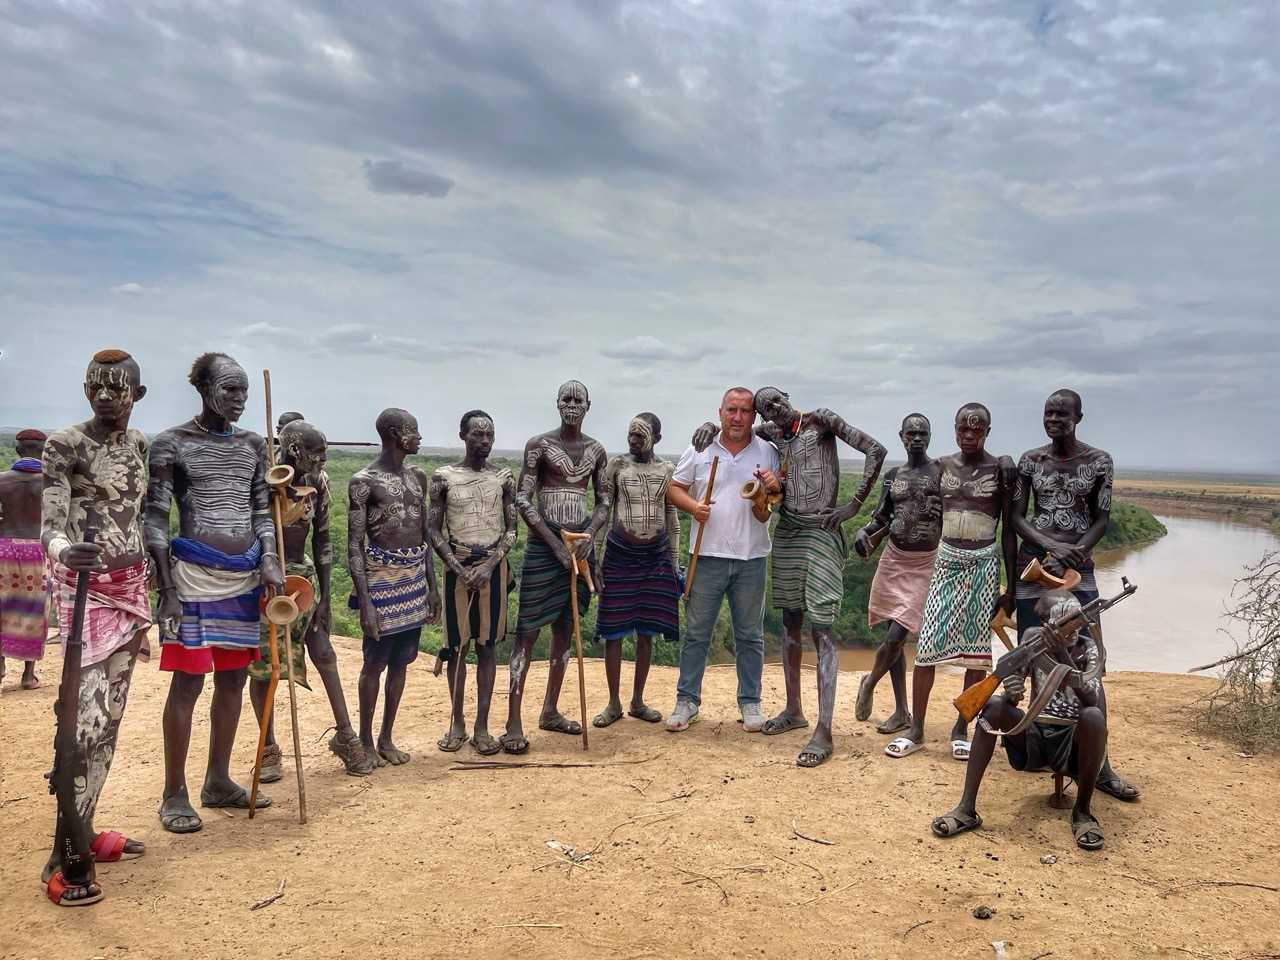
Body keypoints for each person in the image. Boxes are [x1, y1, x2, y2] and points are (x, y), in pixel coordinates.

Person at [147, 352, 284, 833]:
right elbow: (155, 518)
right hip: (191, 578)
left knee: (233, 681)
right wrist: (166, 588)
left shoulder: (253, 445)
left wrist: (269, 559)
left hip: (244, 579)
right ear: (203, 390)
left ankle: (218, 781)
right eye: (230, 389)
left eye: (244, 390)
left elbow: (262, 511)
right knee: (187, 683)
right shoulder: (172, 444)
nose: (239, 398)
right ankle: (174, 793)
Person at [40, 350, 152, 900]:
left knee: (109, 721)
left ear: (137, 393)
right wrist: (65, 551)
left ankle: (84, 829)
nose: (105, 396)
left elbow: (139, 515)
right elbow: (50, 525)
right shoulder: (65, 444)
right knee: (79, 725)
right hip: (84, 593)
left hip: (130, 589)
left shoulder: (140, 446)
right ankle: (61, 854)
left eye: (116, 387)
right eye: (96, 386)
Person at [1013, 388, 1139, 802]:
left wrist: (1076, 551)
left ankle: (1101, 765)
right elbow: (1016, 517)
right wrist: (1050, 547)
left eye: (1062, 414)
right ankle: (1038, 747)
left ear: (1078, 418)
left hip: (1077, 573)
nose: (1053, 419)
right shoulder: (1030, 461)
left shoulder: (1099, 461)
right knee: (1034, 655)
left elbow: (1102, 519)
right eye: (1048, 413)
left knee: (1090, 663)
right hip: (1034, 569)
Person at [930, 590, 1109, 851]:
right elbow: (1012, 695)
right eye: (1064, 620)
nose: (1073, 626)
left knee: (1093, 717)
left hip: (1074, 746)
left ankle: (1082, 812)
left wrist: (1062, 653)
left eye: (1076, 619)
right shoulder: (1032, 639)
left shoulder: (1089, 647)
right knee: (994, 706)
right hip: (1035, 736)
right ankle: (966, 808)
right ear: (1046, 624)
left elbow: (1091, 700)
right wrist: (1011, 691)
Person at [886, 403, 1016, 761]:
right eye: (963, 428)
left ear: (987, 431)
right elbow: (908, 487)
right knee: (927, 644)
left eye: (977, 429)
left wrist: (1011, 588)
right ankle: (916, 729)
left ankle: (961, 728)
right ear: (955, 429)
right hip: (945, 562)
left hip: (984, 563)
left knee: (977, 654)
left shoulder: (1001, 470)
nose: (969, 435)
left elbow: (1009, 531)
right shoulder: (942, 466)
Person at [248, 419, 375, 779]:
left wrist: (325, 597)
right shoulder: (262, 480)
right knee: (266, 665)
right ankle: (268, 748)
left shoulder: (318, 482)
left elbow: (322, 539)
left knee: (323, 652)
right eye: (317, 453)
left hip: (303, 577)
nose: (322, 459)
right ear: (294, 451)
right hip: (266, 579)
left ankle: (346, 736)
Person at [666, 387, 781, 734]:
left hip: (751, 557)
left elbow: (768, 508)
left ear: (754, 416)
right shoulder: (700, 449)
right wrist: (693, 507)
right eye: (732, 410)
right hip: (706, 555)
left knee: (750, 636)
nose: (737, 417)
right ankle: (687, 701)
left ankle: (750, 702)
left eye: (745, 411)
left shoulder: (768, 452)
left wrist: (768, 491)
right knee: (697, 634)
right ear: (720, 413)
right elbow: (674, 488)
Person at [504, 380, 610, 753]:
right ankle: (513, 722)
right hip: (544, 545)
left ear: (588, 406)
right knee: (527, 631)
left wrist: (589, 537)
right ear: (557, 403)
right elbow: (522, 498)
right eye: (566, 399)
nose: (572, 405)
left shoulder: (596, 451)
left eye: (578, 400)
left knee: (566, 627)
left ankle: (550, 710)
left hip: (578, 545)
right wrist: (554, 545)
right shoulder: (539, 446)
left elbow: (604, 501)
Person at [348, 408, 441, 766]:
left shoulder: (418, 477)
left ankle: (386, 737)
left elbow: (424, 535)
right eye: (412, 430)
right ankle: (365, 741)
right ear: (392, 434)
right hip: (380, 581)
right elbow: (354, 544)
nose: (419, 436)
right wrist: (366, 602)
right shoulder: (363, 482)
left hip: (413, 580)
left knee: (402, 661)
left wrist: (432, 587)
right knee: (375, 662)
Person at [427, 410, 518, 756]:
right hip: (457, 567)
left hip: (492, 567)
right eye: (477, 434)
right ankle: (457, 722)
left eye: (489, 435)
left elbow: (512, 531)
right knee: (456, 647)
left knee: (487, 646)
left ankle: (482, 726)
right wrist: (457, 567)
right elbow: (433, 530)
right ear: (462, 436)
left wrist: (490, 565)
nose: (484, 441)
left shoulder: (503, 478)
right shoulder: (443, 477)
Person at [853, 414, 942, 735]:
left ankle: (869, 682)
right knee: (895, 635)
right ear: (902, 436)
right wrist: (864, 531)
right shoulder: (893, 477)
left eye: (922, 433)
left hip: (926, 563)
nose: (916, 438)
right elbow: (881, 517)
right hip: (893, 561)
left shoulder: (941, 472)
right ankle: (902, 711)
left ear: (930, 436)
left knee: (896, 635)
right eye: (911, 433)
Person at [592, 413, 681, 728]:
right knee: (613, 630)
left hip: (655, 556)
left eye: (640, 435)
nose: (633, 439)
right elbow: (603, 512)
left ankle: (638, 700)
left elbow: (672, 518)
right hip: (619, 555)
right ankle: (613, 703)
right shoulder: (617, 467)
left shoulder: (666, 470)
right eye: (630, 434)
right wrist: (596, 559)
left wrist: (673, 563)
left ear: (657, 438)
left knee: (647, 630)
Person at [1, 428, 49, 690]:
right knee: (35, 609)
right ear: (44, 451)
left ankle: (0, 665)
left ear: (18, 450)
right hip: (38, 551)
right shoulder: (51, 483)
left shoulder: (2, 480)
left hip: (4, 549)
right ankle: (28, 675)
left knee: (2, 606)